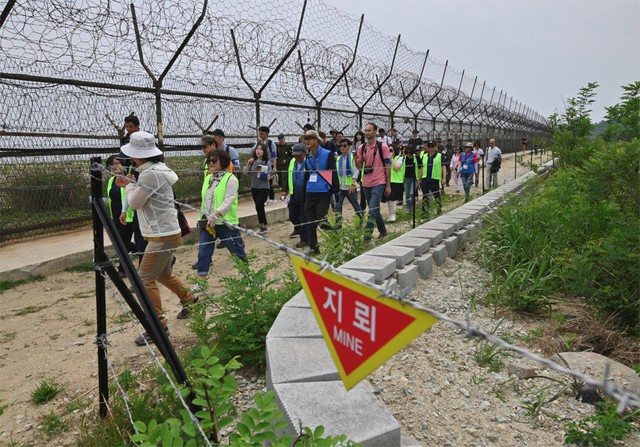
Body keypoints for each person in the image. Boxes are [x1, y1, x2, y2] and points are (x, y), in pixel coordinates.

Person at [120, 131, 196, 346]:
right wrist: (133, 184)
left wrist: (128, 185)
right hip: (166, 231)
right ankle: (190, 299)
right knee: (162, 273)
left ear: (137, 155)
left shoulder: (148, 174)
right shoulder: (158, 170)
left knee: (144, 279)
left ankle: (158, 326)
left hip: (161, 234)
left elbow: (135, 203)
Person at [196, 148, 247, 280]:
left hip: (225, 222)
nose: (211, 163)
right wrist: (205, 215)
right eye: (209, 160)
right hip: (207, 222)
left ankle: (245, 273)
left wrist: (216, 214)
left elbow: (228, 200)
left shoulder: (231, 179)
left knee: (235, 249)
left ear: (223, 161)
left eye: (214, 160)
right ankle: (201, 282)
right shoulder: (208, 178)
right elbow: (205, 199)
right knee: (203, 251)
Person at [302, 130, 338, 255]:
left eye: (310, 138)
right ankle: (314, 247)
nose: (307, 141)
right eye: (305, 138)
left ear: (317, 140)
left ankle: (335, 238)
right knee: (310, 221)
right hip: (310, 191)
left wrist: (334, 191)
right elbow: (307, 175)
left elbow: (333, 173)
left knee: (321, 219)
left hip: (323, 192)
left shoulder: (328, 154)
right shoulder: (307, 157)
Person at [355, 122, 391, 240]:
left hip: (379, 182)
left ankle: (366, 238)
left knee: (372, 210)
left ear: (375, 131)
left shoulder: (383, 147)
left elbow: (387, 166)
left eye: (369, 130)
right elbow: (360, 167)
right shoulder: (362, 147)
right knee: (374, 209)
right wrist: (356, 160)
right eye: (365, 130)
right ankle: (383, 231)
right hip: (366, 183)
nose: (367, 133)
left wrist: (388, 185)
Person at [105, 155, 135, 277]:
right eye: (111, 164)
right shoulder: (111, 181)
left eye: (117, 163)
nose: (114, 166)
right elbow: (112, 198)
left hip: (128, 217)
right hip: (116, 216)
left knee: (122, 244)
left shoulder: (128, 179)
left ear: (124, 165)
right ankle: (146, 251)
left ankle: (123, 270)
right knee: (121, 243)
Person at [335, 138, 363, 228]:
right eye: (341, 146)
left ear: (349, 147)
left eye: (344, 146)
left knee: (355, 206)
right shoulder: (338, 159)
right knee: (338, 207)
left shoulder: (352, 158)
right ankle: (338, 225)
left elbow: (356, 171)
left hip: (349, 187)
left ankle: (360, 222)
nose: (342, 148)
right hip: (341, 187)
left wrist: (353, 184)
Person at [244, 142, 271, 233]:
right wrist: (248, 164)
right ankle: (264, 223)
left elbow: (269, 177)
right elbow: (246, 173)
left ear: (264, 152)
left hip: (264, 187)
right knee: (258, 206)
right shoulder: (252, 161)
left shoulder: (267, 162)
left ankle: (262, 225)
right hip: (254, 187)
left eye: (260, 149)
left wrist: (263, 173)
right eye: (257, 149)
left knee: (259, 204)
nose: (258, 151)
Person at [287, 143, 309, 247]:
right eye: (295, 155)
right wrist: (285, 189)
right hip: (294, 193)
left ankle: (305, 239)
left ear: (304, 153)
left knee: (304, 217)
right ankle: (301, 230)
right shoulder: (292, 162)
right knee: (293, 215)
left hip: (305, 194)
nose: (297, 157)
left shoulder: (309, 162)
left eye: (299, 155)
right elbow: (288, 175)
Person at [418, 140, 445, 217]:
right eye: (428, 146)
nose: (430, 148)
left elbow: (443, 167)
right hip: (425, 179)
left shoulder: (440, 156)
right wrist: (419, 180)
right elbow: (422, 169)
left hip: (434, 179)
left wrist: (444, 178)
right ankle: (425, 212)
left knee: (436, 196)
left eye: (432, 146)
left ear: (435, 147)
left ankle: (439, 210)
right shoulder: (424, 156)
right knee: (425, 196)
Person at [251, 126, 278, 203]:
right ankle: (265, 198)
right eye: (259, 133)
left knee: (267, 181)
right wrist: (257, 146)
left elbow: (274, 156)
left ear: (267, 134)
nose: (260, 135)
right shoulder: (258, 143)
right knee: (262, 179)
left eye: (262, 133)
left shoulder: (271, 143)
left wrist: (274, 167)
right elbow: (252, 150)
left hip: (268, 164)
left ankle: (270, 198)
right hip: (260, 164)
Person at [387, 143, 405, 222]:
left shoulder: (399, 158)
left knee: (392, 198)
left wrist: (391, 159)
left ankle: (393, 215)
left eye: (391, 150)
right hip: (389, 180)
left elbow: (397, 167)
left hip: (397, 181)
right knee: (389, 199)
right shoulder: (386, 159)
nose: (390, 152)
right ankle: (391, 214)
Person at [402, 145, 419, 216]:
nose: (408, 153)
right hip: (406, 179)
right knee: (407, 195)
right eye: (407, 151)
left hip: (414, 178)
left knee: (412, 194)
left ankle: (413, 208)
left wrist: (419, 179)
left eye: (409, 151)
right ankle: (409, 210)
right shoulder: (404, 158)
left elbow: (420, 168)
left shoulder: (416, 157)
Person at [353, 130, 367, 211]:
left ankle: (363, 204)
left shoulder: (364, 144)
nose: (358, 136)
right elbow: (353, 152)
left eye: (360, 135)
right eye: (357, 135)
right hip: (356, 161)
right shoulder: (354, 144)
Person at [276, 133, 292, 199]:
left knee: (285, 177)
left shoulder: (288, 147)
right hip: (279, 165)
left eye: (282, 139)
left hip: (286, 165)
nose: (281, 141)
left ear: (284, 139)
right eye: (279, 140)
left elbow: (292, 156)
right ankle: (284, 190)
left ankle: (284, 192)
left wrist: (287, 160)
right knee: (280, 179)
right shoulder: (277, 147)